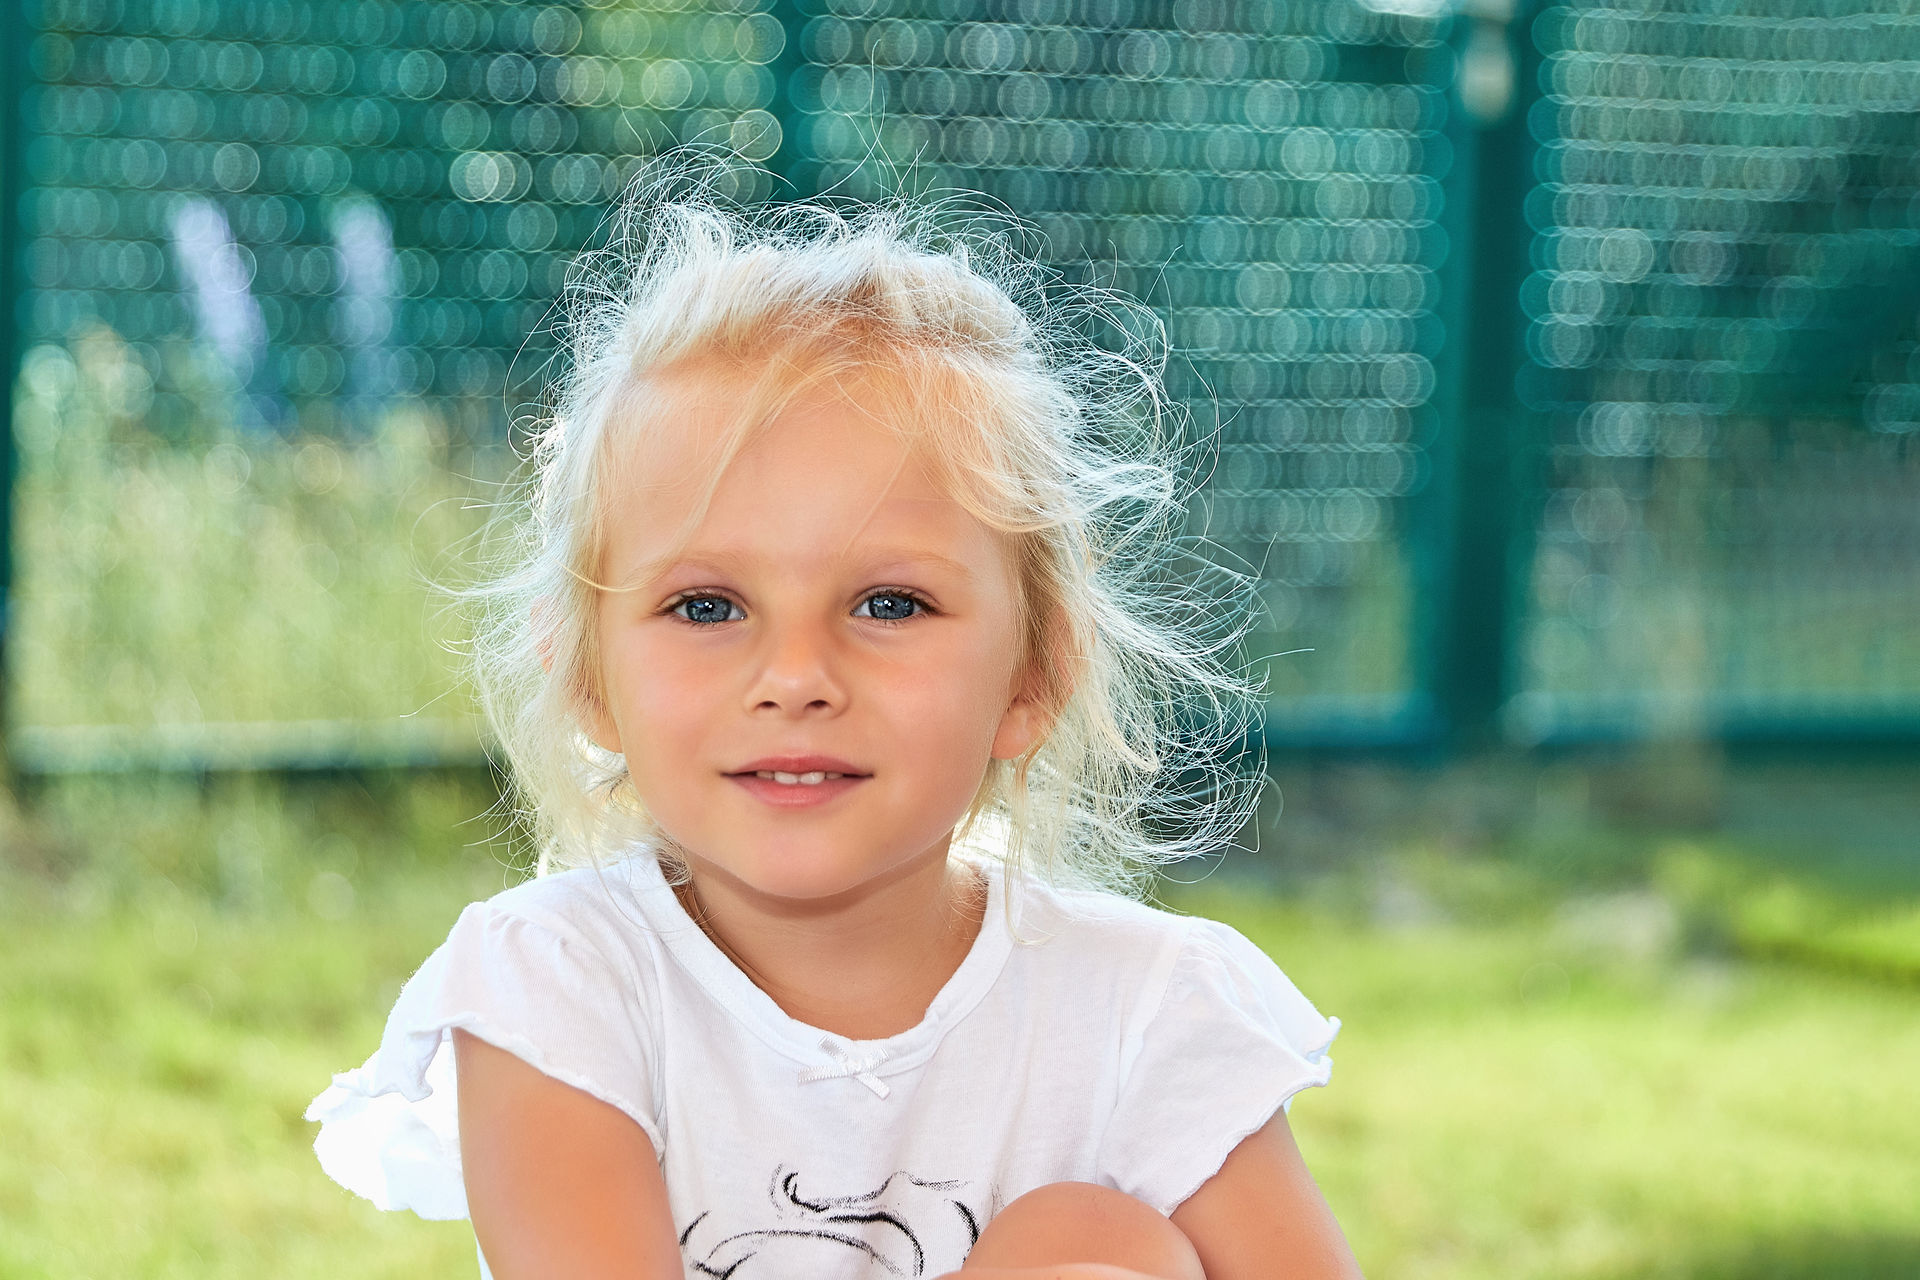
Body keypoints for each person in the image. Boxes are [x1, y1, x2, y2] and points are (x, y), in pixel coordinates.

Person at [305, 153, 1360, 1280]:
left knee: (1090, 1243)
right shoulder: (560, 984)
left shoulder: (1148, 1010)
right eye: (705, 605)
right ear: (588, 680)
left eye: (889, 601)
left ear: (1033, 671)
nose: (796, 673)